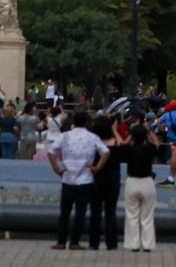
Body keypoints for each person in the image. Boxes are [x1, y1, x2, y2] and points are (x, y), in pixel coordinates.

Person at [51, 106, 106, 251]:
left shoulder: (65, 136)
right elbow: (105, 151)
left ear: (73, 122)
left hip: (68, 178)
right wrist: (97, 167)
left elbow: (51, 151)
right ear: (87, 122)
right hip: (85, 179)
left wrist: (57, 168)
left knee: (64, 213)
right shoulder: (92, 137)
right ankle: (74, 241)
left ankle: (60, 241)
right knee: (80, 213)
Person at [121, 121, 160, 253]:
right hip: (147, 182)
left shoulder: (129, 149)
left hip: (132, 182)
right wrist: (148, 131)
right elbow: (157, 144)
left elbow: (123, 145)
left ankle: (133, 244)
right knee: (147, 216)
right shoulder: (148, 148)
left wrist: (131, 134)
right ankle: (148, 245)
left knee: (132, 215)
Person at [88, 115, 121, 252]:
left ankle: (94, 242)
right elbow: (122, 144)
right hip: (113, 180)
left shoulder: (93, 144)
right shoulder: (115, 143)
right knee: (110, 211)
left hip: (96, 179)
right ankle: (111, 242)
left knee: (95, 212)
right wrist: (114, 130)